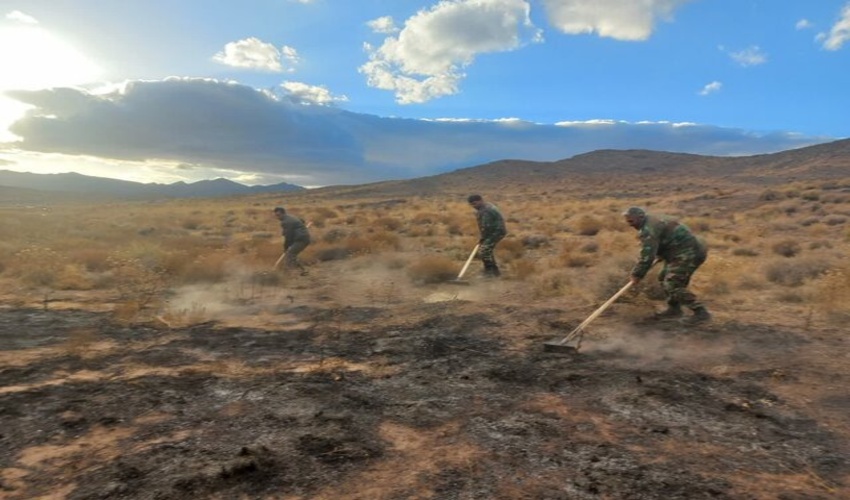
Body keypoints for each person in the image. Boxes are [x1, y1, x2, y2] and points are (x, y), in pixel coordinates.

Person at [623, 206, 711, 323]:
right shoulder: (653, 220)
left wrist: (637, 274)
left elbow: (647, 256)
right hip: (682, 251)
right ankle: (674, 309)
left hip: (689, 252)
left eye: (631, 221)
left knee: (672, 283)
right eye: (627, 221)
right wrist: (663, 252)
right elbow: (668, 236)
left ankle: (701, 312)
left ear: (640, 217)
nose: (629, 224)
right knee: (663, 278)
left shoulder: (649, 229)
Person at [468, 194, 507, 278]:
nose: (473, 206)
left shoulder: (486, 210)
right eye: (471, 204)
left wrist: (483, 237)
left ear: (481, 200)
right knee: (487, 250)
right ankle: (495, 271)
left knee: (484, 250)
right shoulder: (485, 207)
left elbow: (486, 226)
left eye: (475, 203)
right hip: (492, 232)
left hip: (496, 232)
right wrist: (483, 237)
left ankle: (489, 271)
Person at [273, 206, 311, 275]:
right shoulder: (290, 217)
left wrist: (286, 247)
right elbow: (301, 221)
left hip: (301, 239)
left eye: (278, 215)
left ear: (283, 213)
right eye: (276, 215)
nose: (277, 217)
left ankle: (288, 273)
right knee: (292, 254)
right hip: (300, 238)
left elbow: (288, 236)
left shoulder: (286, 222)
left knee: (290, 254)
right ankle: (302, 271)